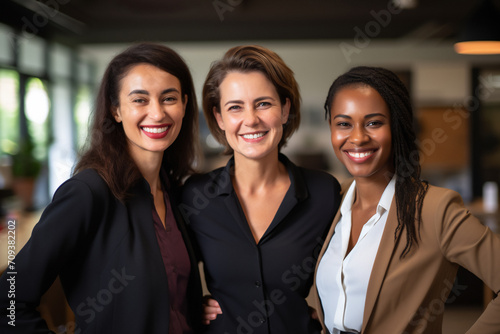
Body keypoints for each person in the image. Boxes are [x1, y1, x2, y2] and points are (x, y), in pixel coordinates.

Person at [0, 43, 203, 333]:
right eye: (140, 100)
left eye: (168, 98)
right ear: (116, 110)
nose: (157, 113)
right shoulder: (88, 192)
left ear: (184, 104)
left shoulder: (174, 191)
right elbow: (8, 300)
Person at [313, 66, 500, 334]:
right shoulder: (332, 200)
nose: (357, 137)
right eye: (343, 123)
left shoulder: (434, 209)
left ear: (397, 125)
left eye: (374, 122)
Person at [179, 45, 341, 334]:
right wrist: (189, 303)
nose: (251, 119)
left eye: (264, 103)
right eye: (235, 107)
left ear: (285, 109)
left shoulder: (324, 192)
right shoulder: (196, 196)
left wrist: (333, 312)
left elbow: (353, 272)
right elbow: (171, 268)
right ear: (219, 118)